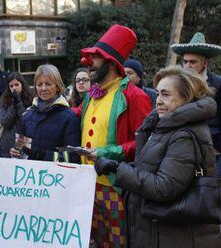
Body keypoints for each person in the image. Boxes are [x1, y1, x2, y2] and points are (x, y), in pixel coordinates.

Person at [95, 66, 221, 248]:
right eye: (158, 94)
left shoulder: (183, 134)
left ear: (186, 97)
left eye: (166, 94)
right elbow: (152, 167)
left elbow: (163, 187)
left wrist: (117, 169)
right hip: (161, 231)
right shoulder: (165, 126)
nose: (158, 101)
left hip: (175, 235)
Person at [77, 24, 152, 247]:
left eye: (95, 58)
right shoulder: (92, 93)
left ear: (110, 63)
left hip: (116, 186)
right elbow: (77, 116)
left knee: (118, 242)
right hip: (88, 183)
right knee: (97, 241)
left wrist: (107, 152)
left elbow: (144, 142)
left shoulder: (134, 96)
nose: (87, 62)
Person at [171, 32, 221, 177]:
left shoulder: (218, 84)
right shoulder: (176, 84)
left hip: (212, 154)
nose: (187, 66)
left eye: (193, 62)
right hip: (181, 152)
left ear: (204, 63)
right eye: (185, 61)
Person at [10, 64, 81, 162]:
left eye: (48, 84)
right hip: (31, 175)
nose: (43, 88)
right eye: (39, 84)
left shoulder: (70, 118)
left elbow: (72, 158)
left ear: (57, 87)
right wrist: (16, 152)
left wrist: (41, 154)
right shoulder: (27, 116)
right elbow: (20, 147)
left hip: (56, 176)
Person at [0, 72, 34, 158]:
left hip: (24, 139)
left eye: (16, 85)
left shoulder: (30, 98)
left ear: (22, 84)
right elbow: (4, 122)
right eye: (11, 86)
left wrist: (18, 102)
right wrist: (12, 105)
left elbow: (26, 120)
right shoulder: (5, 99)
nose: (14, 88)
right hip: (8, 140)